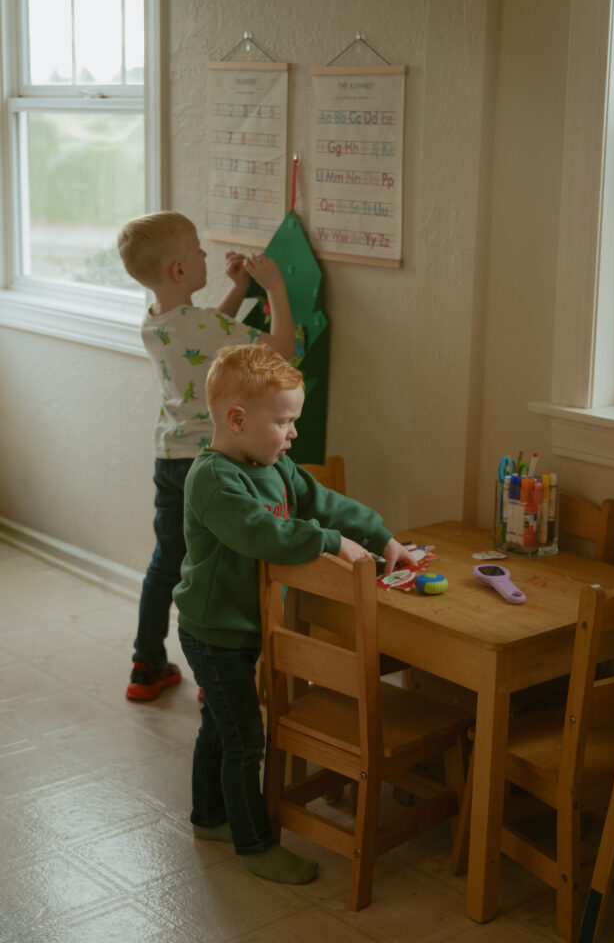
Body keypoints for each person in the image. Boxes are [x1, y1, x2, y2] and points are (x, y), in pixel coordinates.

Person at [173, 342, 411, 885]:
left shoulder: (276, 467)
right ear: (237, 420)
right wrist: (332, 543)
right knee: (244, 738)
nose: (293, 433)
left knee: (221, 725)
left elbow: (326, 502)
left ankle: (209, 816)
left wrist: (381, 536)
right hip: (214, 632)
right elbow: (264, 534)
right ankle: (253, 845)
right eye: (284, 421)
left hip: (244, 628)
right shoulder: (213, 479)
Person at [117, 211, 294, 701]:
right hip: (209, 466)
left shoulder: (157, 321)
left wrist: (237, 288)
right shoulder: (203, 325)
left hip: (168, 459)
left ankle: (146, 663)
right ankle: (219, 671)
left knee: (167, 561)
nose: (204, 257)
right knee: (219, 565)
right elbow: (279, 351)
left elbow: (204, 341)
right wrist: (274, 289)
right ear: (178, 270)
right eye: (197, 251)